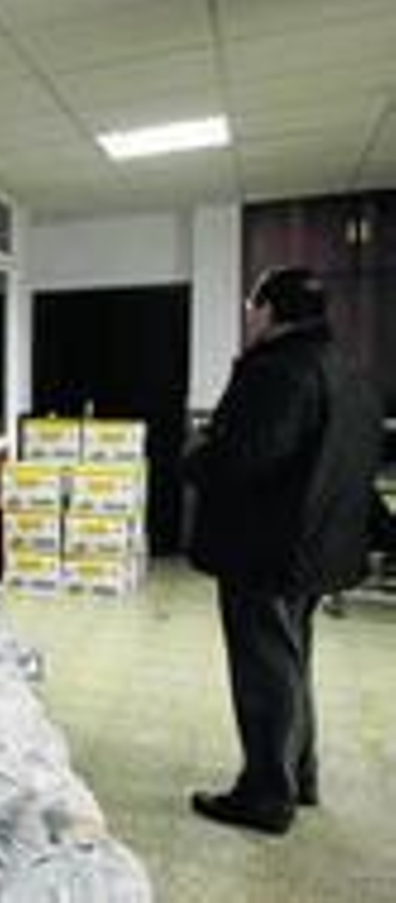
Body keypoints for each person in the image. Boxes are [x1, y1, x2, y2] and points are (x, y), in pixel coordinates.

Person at [183, 266, 382, 834]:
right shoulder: (348, 371)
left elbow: (240, 460)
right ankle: (301, 773)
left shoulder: (276, 373)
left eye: (253, 306)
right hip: (316, 549)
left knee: (264, 668)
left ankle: (266, 794)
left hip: (265, 551)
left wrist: (194, 454)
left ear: (269, 310)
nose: (249, 317)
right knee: (292, 660)